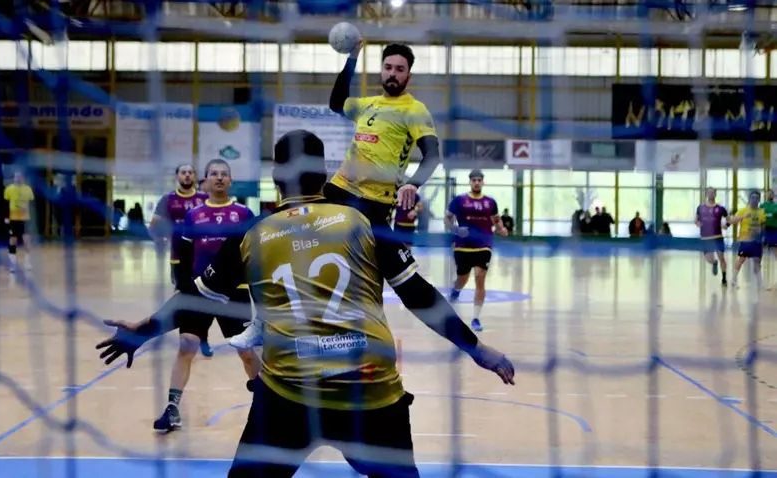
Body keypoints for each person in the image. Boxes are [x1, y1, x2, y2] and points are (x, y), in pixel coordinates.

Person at [95, 130, 515, 478]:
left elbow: (194, 300)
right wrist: (477, 349)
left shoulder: (252, 234)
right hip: (368, 392)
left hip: (290, 396)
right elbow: (419, 295)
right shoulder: (364, 222)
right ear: (325, 174)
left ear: (276, 176)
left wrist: (142, 332)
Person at [153, 159, 260, 433]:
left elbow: (254, 256)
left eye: (224, 174)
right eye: (214, 174)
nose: (219, 178)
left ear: (231, 181)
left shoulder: (244, 213)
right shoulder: (194, 215)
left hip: (235, 292)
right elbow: (184, 256)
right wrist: (183, 287)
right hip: (200, 292)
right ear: (206, 181)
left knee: (246, 352)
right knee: (186, 345)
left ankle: (266, 403)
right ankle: (172, 408)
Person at [326, 41, 440, 234]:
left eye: (399, 69)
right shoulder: (368, 104)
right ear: (381, 70)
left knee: (377, 253)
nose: (392, 73)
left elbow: (432, 155)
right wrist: (352, 58)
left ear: (409, 76)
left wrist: (413, 184)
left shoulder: (415, 110)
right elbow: (336, 103)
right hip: (340, 188)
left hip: (375, 201)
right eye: (388, 67)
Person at [149, 164, 211, 355]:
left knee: (205, 298)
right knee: (181, 299)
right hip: (179, 259)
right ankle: (174, 336)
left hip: (201, 259)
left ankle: (203, 338)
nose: (187, 175)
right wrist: (160, 238)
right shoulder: (168, 200)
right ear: (177, 176)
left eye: (190, 172)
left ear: (195, 176)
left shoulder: (204, 198)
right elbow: (154, 225)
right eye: (183, 172)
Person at [444, 170, 507, 332]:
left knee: (480, 277)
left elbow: (496, 219)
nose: (477, 182)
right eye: (474, 180)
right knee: (462, 278)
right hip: (463, 246)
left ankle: (476, 318)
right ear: (470, 182)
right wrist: (456, 230)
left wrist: (501, 228)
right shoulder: (459, 200)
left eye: (479, 180)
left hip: (484, 245)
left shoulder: (490, 202)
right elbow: (447, 218)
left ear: (483, 182)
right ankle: (456, 290)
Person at [728, 191, 767, 289]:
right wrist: (743, 216)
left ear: (759, 200)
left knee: (757, 261)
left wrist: (762, 236)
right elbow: (732, 220)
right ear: (749, 199)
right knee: (741, 259)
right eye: (753, 197)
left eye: (757, 198)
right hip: (745, 240)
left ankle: (760, 283)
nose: (754, 200)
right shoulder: (743, 210)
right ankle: (733, 280)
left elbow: (763, 226)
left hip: (756, 241)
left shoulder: (761, 212)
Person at [695, 187, 729, 286]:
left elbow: (729, 219)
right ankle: (714, 262)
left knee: (721, 257)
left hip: (718, 237)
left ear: (715, 194)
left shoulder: (720, 208)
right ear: (706, 194)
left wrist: (726, 225)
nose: (711, 194)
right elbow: (696, 220)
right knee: (708, 259)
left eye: (712, 193)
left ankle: (724, 278)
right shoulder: (700, 207)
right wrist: (698, 223)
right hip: (706, 238)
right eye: (709, 192)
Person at [3, 171, 35, 273]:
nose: (18, 178)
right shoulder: (9, 189)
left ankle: (27, 262)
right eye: (16, 176)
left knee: (27, 241)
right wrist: (6, 217)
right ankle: (12, 264)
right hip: (13, 219)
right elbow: (5, 204)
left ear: (23, 178)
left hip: (25, 219)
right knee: (12, 240)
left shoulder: (28, 189)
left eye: (20, 176)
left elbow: (31, 205)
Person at [761, 190, 777, 287]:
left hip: (774, 231)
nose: (770, 195)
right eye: (768, 194)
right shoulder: (762, 205)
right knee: (760, 252)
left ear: (773, 196)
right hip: (764, 230)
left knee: (775, 251)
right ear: (766, 195)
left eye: (771, 194)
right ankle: (759, 277)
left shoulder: (775, 206)